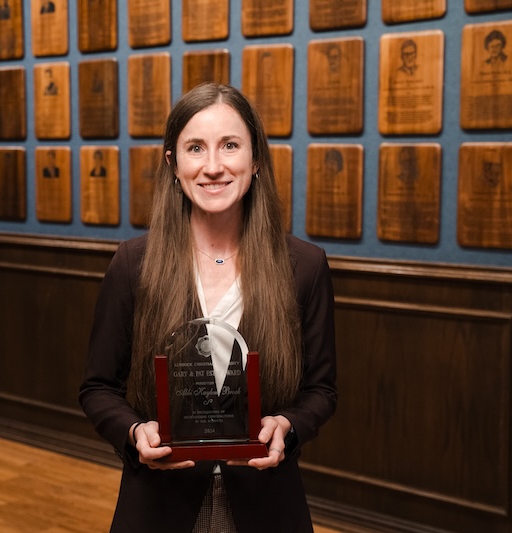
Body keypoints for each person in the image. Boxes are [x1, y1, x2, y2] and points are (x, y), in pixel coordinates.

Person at [79, 83, 337, 533]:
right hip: (159, 506)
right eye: (195, 148)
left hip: (267, 506)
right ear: (172, 164)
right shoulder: (132, 264)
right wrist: (135, 433)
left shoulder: (306, 266)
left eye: (230, 146)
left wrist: (288, 426)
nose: (213, 167)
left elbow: (323, 391)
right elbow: (98, 388)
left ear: (255, 160)